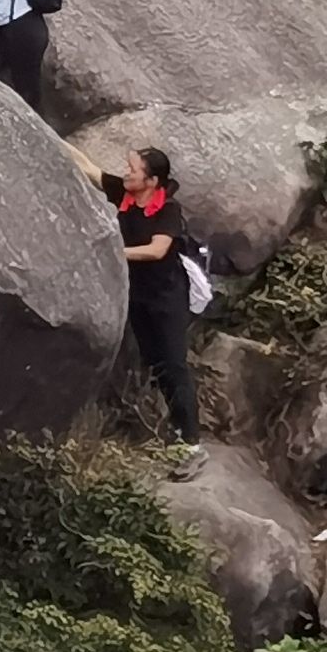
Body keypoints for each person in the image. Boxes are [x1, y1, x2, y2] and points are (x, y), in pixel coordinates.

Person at [66, 135, 199, 453]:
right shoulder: (124, 193)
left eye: (133, 170)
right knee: (154, 362)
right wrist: (41, 130)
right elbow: (88, 168)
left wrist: (114, 250)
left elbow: (157, 250)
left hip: (167, 298)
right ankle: (172, 432)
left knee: (173, 363)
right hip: (138, 296)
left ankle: (191, 441)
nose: (127, 173)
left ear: (152, 181)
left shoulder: (167, 209)